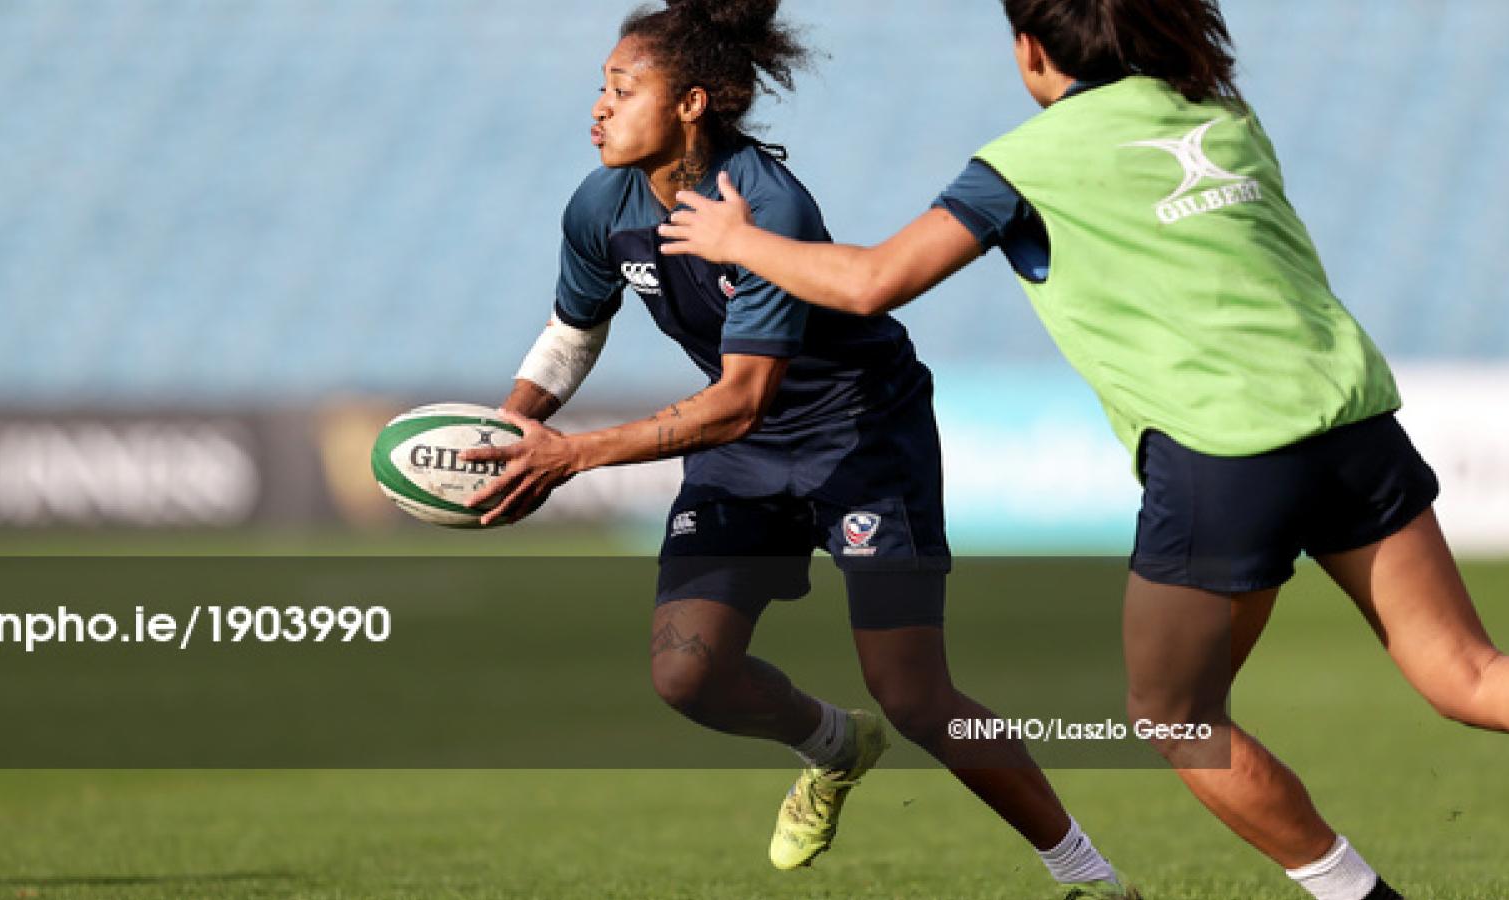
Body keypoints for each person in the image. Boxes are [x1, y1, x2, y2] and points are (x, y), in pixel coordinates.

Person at [655, 1, 1509, 899]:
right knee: (1469, 674)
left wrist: (738, 240)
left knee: (1178, 717)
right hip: (1355, 424)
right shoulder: (1221, 113)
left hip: (1224, 452)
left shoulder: (1024, 164)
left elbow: (870, 283)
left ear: (1032, 48)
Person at [462, 1, 1138, 896]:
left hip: (858, 437)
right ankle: (834, 745)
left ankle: (1087, 875)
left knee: (918, 698)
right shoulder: (601, 202)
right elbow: (573, 326)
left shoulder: (764, 205)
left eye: (623, 90)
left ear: (693, 103)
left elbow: (742, 399)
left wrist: (573, 455)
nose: (599, 107)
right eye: (601, 88)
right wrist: (516, 426)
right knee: (684, 676)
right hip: (739, 453)